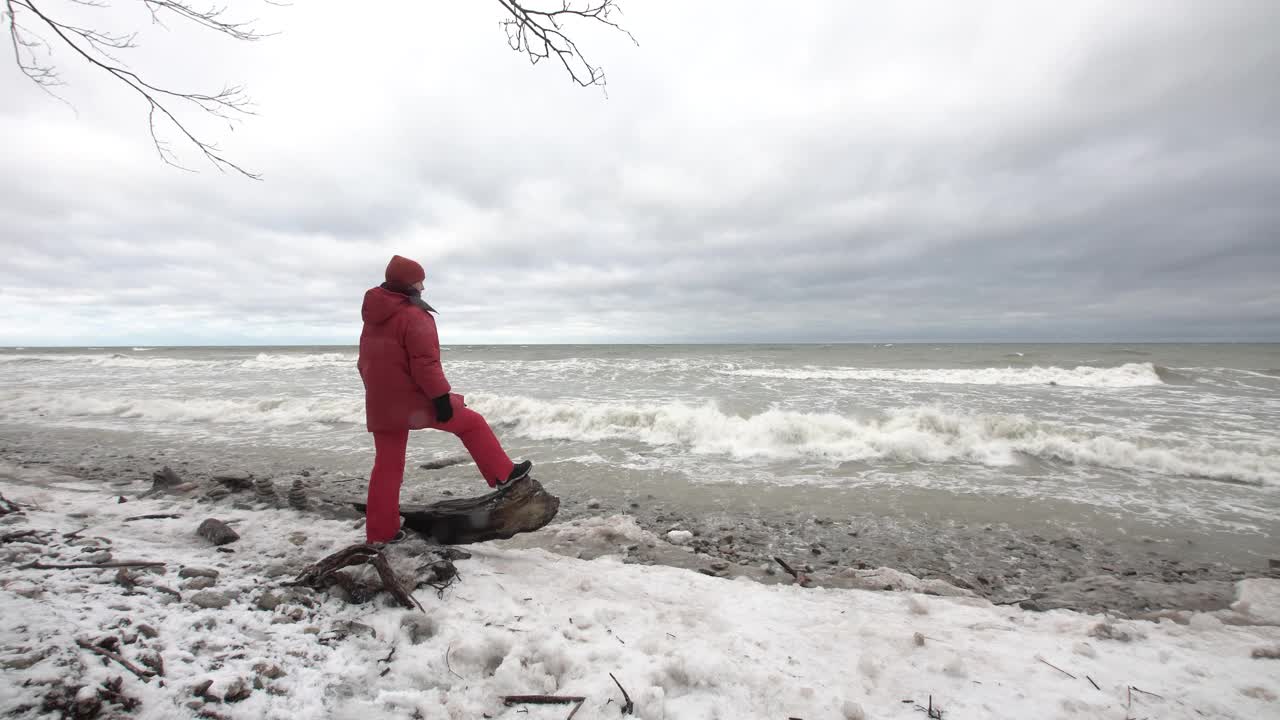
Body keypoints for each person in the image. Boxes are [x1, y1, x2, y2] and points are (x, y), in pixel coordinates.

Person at [357, 254, 532, 544]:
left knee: (387, 467)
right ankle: (503, 474)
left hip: (381, 401)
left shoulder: (373, 319)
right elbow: (425, 364)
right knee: (472, 423)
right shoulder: (414, 315)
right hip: (412, 401)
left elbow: (364, 363)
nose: (423, 286)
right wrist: (440, 398)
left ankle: (380, 534)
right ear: (407, 283)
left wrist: (377, 394)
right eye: (419, 280)